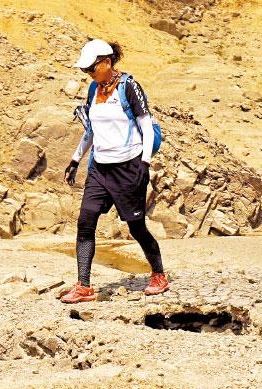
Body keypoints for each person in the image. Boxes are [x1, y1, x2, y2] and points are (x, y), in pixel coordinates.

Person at [60, 39, 168, 303]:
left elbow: (144, 126)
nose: (88, 74)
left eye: (91, 69)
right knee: (86, 221)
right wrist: (75, 159)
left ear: (106, 62)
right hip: (100, 168)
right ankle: (83, 286)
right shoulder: (93, 90)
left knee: (136, 226)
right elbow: (91, 130)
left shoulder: (129, 86)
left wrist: (144, 163)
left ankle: (159, 275)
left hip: (129, 166)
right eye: (85, 71)